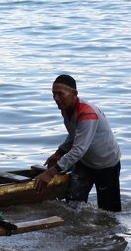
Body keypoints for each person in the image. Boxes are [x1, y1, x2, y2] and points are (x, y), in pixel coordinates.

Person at [33, 74, 122, 211]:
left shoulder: (87, 114)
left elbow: (78, 150)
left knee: (109, 212)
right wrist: (60, 152)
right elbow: (75, 134)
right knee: (73, 205)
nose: (56, 98)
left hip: (106, 164)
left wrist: (50, 173)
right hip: (85, 162)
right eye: (54, 94)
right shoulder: (66, 109)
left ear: (74, 94)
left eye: (60, 94)